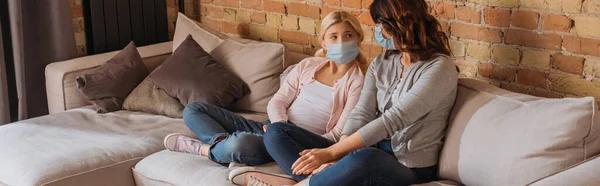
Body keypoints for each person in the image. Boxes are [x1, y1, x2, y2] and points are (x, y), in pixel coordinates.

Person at [260, 0, 459, 185]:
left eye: (381, 24)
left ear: (400, 25)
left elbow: (394, 120)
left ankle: (309, 182)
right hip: (369, 148)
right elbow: (362, 112)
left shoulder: (440, 68)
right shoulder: (382, 64)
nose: (378, 31)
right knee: (277, 131)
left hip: (408, 166)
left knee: (364, 159)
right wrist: (338, 156)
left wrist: (330, 154)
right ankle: (324, 179)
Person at [162, 10, 367, 172]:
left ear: (358, 38)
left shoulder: (359, 81)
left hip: (300, 142)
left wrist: (286, 137)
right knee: (194, 109)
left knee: (242, 144)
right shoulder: (308, 65)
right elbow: (278, 101)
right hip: (272, 126)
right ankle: (221, 146)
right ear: (324, 42)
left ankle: (206, 149)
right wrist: (278, 126)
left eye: (348, 35)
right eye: (334, 36)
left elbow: (339, 134)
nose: (342, 42)